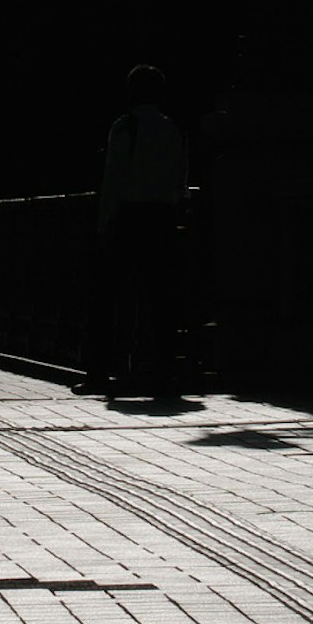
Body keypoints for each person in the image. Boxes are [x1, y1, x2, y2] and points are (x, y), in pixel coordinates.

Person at [95, 66, 193, 401]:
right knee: (161, 298)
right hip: (162, 218)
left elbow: (113, 180)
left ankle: (106, 368)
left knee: (113, 295)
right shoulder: (173, 129)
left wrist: (104, 222)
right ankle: (161, 368)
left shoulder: (125, 127)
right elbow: (181, 179)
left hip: (130, 217)